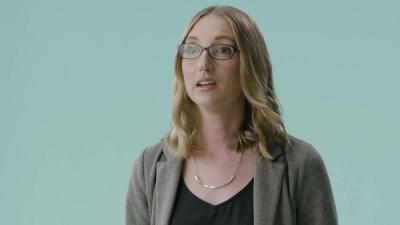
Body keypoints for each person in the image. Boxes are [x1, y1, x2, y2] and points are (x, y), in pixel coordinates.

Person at [126, 5, 338, 225]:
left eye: (222, 50)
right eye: (192, 49)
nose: (203, 64)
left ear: (251, 63)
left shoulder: (300, 165)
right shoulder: (149, 167)